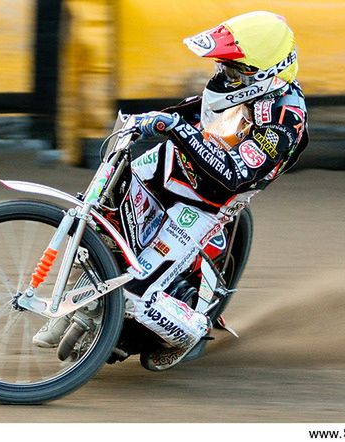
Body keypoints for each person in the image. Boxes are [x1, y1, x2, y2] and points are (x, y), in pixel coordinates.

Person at [33, 11, 309, 370]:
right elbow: (197, 111)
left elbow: (235, 175)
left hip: (209, 202)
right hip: (172, 164)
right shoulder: (238, 87)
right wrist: (149, 120)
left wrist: (175, 127)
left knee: (136, 294)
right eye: (223, 67)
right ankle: (77, 296)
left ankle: (190, 329)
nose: (223, 76)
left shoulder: (286, 121)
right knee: (98, 218)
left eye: (232, 70)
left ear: (264, 73)